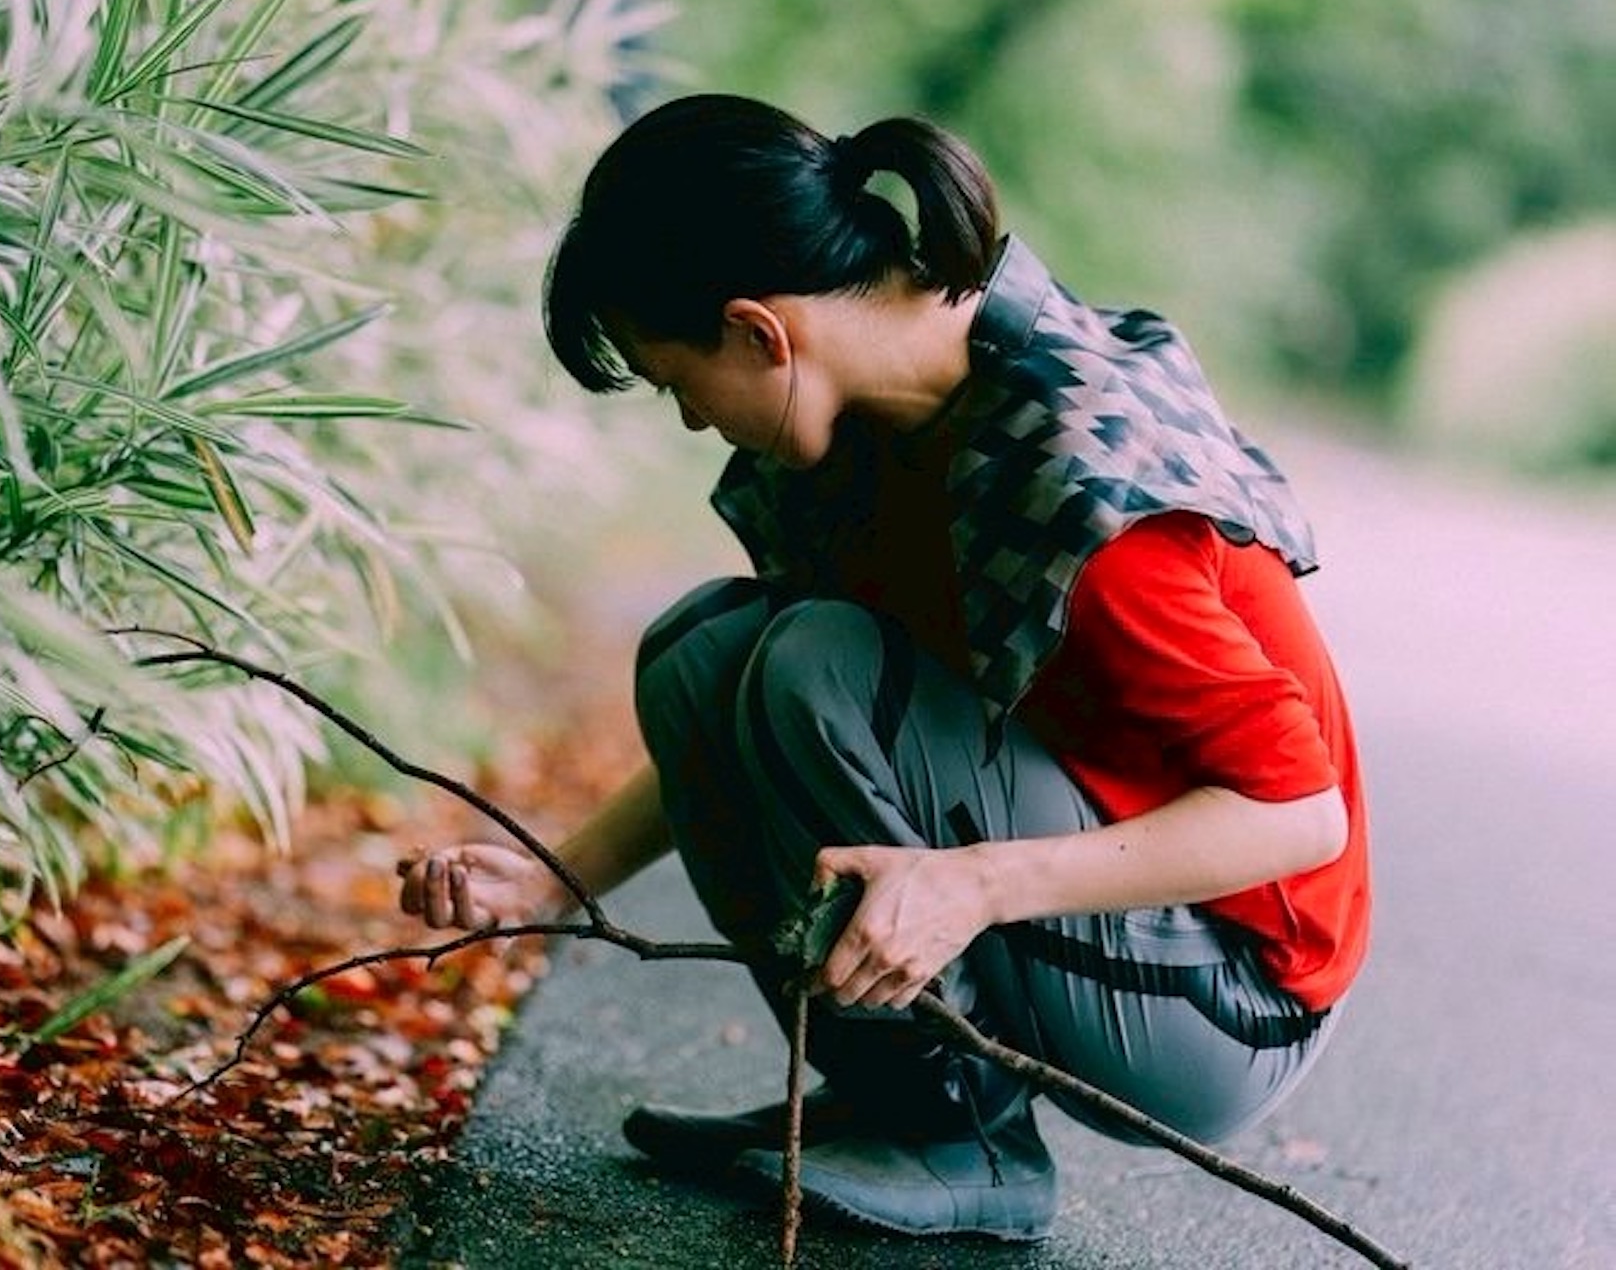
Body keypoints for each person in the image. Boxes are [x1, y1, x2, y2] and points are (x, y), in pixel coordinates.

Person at [396, 93, 1371, 1242]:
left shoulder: (1078, 485)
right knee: (706, 650)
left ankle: (954, 1137)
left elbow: (1298, 818)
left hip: (1229, 991)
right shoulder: (875, 419)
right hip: (1107, 910)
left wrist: (972, 886)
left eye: (676, 384)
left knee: (814, 656)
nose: (695, 424)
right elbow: (759, 724)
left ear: (761, 332)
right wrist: (555, 879)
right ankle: (884, 1101)